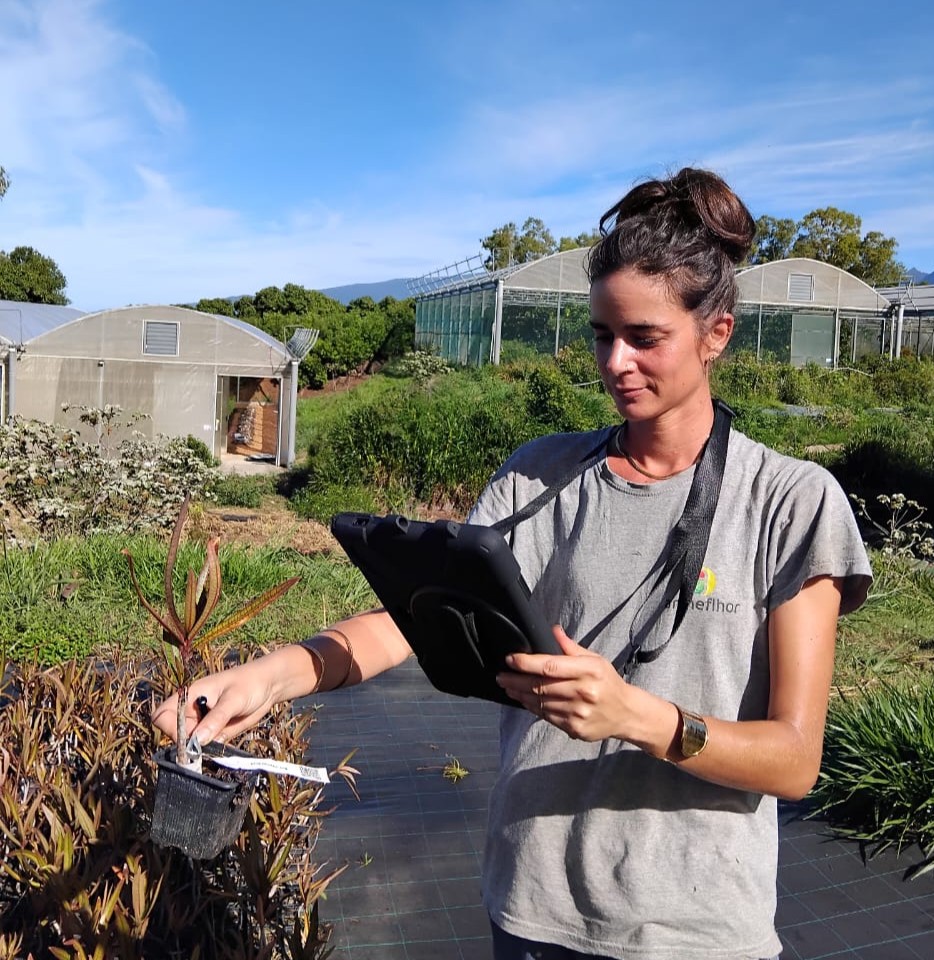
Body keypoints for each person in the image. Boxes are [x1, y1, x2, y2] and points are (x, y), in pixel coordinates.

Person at [154, 167, 872, 960]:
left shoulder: (790, 502)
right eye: (603, 334)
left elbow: (796, 759)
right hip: (534, 916)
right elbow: (413, 621)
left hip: (699, 932)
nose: (617, 362)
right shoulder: (541, 476)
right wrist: (276, 673)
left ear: (717, 333)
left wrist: (638, 716)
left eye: (645, 337)